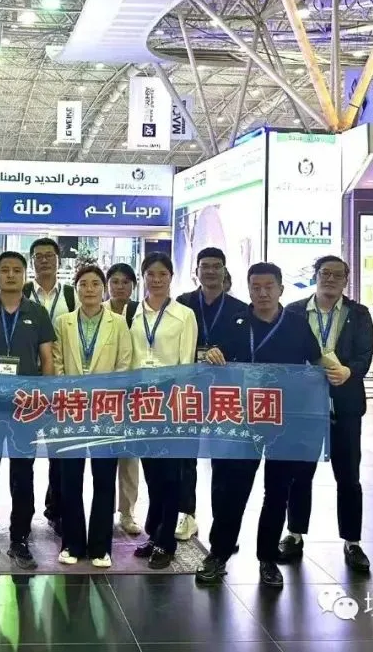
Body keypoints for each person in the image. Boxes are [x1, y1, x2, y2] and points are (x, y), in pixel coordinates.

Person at [195, 262, 338, 589]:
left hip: (283, 422)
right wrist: (211, 354)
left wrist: (340, 370)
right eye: (256, 287)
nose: (262, 293)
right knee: (232, 491)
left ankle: (268, 558)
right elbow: (213, 356)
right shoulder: (234, 322)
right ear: (248, 289)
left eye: (268, 287)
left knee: (277, 493)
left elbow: (317, 360)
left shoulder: (296, 324)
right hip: (241, 421)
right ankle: (218, 554)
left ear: (280, 289)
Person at [280, 255, 373, 573]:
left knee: (348, 475)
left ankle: (352, 541)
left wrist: (349, 371)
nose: (330, 279)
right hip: (303, 404)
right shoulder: (294, 311)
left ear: (346, 280)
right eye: (325, 273)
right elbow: (284, 351)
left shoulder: (358, 314)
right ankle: (294, 534)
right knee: (299, 471)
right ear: (315, 276)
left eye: (337, 275)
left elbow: (365, 354)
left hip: (344, 402)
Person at [0, 251, 55, 570]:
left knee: (22, 476)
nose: (11, 275)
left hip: (24, 410)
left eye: (17, 270)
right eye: (5, 269)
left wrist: (44, 399)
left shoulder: (38, 313)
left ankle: (20, 539)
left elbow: (47, 361)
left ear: (24, 275)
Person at [55, 265, 133, 567]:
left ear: (103, 289)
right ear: (76, 289)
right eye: (84, 284)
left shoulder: (118, 323)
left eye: (95, 284)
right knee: (70, 480)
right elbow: (58, 363)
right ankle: (72, 544)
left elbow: (124, 365)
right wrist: (72, 392)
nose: (89, 289)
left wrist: (103, 395)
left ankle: (101, 547)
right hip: (71, 409)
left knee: (104, 479)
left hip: (106, 410)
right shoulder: (64, 323)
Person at [174, 247, 248, 542]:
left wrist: (224, 353)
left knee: (223, 458)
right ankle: (186, 514)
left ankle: (223, 525)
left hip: (223, 391)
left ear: (224, 271)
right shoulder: (183, 303)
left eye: (216, 266)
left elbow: (244, 348)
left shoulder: (240, 309)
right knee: (185, 456)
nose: (211, 271)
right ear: (197, 271)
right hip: (189, 389)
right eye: (205, 266)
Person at [129, 252, 198, 569]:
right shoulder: (133, 313)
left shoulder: (184, 315)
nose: (156, 280)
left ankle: (166, 541)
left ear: (171, 277)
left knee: (171, 475)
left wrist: (179, 405)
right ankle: (155, 533)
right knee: (152, 474)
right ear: (143, 277)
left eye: (162, 274)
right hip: (140, 401)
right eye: (150, 274)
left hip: (171, 402)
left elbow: (186, 363)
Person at [24, 237, 76, 533]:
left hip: (60, 387)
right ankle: (23, 514)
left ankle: (56, 510)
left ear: (58, 260)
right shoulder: (21, 293)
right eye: (38, 256)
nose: (44, 260)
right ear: (32, 261)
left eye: (49, 255)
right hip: (26, 386)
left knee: (61, 453)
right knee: (24, 454)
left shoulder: (71, 294)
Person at [104, 262, 141, 536]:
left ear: (133, 285)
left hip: (133, 395)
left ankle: (127, 513)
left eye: (125, 282)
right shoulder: (96, 311)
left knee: (129, 457)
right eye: (115, 281)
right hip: (102, 396)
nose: (120, 287)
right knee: (102, 457)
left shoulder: (141, 313)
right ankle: (101, 510)